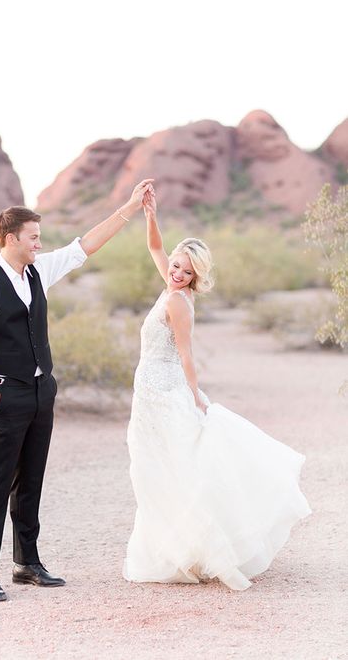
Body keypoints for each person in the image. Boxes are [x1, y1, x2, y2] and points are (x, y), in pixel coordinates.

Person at [0, 178, 153, 602]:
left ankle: (26, 564)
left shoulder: (39, 271)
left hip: (41, 391)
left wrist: (130, 207)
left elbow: (85, 246)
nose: (40, 245)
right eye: (33, 238)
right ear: (11, 239)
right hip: (5, 395)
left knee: (31, 479)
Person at [123, 189, 311, 591]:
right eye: (176, 266)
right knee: (159, 469)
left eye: (186, 271)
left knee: (173, 471)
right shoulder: (171, 286)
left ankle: (200, 552)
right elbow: (155, 245)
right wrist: (150, 214)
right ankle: (185, 551)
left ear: (195, 276)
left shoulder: (177, 302)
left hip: (165, 393)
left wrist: (194, 396)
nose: (176, 273)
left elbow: (187, 355)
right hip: (150, 395)